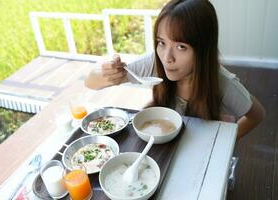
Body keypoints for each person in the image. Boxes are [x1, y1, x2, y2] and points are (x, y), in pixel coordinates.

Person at [84, 0, 265, 139]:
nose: (167, 58)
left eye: (181, 47)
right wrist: (110, 72)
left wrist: (224, 143)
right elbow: (90, 83)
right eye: (161, 42)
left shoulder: (223, 84)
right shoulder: (155, 63)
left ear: (203, 49)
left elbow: (256, 115)